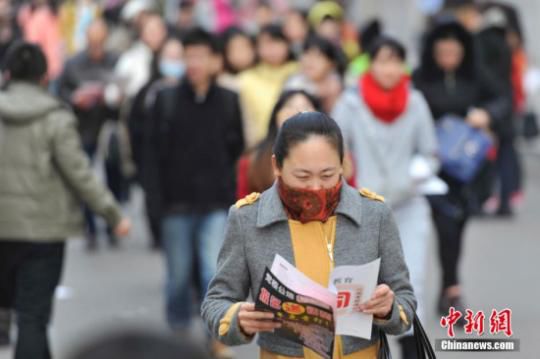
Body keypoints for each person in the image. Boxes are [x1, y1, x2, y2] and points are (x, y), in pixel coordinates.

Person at [202, 112, 416, 358]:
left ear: (343, 164)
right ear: (277, 166)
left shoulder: (374, 214)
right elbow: (216, 302)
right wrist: (238, 318)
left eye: (327, 175)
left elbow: (405, 302)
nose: (316, 187)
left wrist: (387, 308)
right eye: (302, 176)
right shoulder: (247, 219)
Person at [0, 42, 130, 359]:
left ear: (7, 74)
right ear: (46, 77)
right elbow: (79, 174)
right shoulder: (56, 118)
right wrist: (113, 215)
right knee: (33, 317)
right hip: (44, 232)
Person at [332, 37, 438, 359]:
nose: (389, 69)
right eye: (382, 60)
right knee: (360, 286)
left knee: (411, 280)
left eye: (396, 61)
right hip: (362, 209)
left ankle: (409, 347)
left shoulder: (416, 102)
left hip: (408, 205)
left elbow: (431, 153)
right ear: (371, 64)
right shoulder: (350, 103)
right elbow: (334, 149)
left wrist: (416, 174)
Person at [150, 27, 244, 357]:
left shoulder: (229, 101)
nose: (194, 62)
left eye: (201, 55)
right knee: (177, 277)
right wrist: (155, 204)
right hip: (176, 202)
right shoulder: (166, 100)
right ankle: (176, 333)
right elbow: (153, 155)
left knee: (211, 271)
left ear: (215, 60)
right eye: (188, 55)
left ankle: (215, 336)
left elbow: (236, 149)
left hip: (215, 202)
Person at [412, 20, 511, 323]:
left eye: (453, 52)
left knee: (454, 228)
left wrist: (487, 116)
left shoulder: (477, 75)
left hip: (465, 169)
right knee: (419, 230)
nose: (448, 58)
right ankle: (410, 294)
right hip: (427, 166)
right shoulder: (420, 79)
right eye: (442, 52)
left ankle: (450, 288)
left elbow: (503, 100)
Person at [58, 19, 119, 250]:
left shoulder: (116, 61)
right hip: (82, 128)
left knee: (113, 178)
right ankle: (91, 227)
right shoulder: (73, 63)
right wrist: (75, 99)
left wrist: (111, 97)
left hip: (108, 128)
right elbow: (62, 92)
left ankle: (112, 223)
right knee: (85, 179)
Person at [128, 35, 184, 249]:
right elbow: (136, 129)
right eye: (170, 57)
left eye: (178, 57)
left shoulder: (194, 92)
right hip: (155, 163)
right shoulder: (149, 92)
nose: (174, 62)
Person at [236, 89, 321, 199]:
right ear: (276, 115)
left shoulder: (337, 155)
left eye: (305, 107)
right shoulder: (252, 159)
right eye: (290, 106)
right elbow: (243, 209)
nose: (297, 112)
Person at [238, 24, 298, 149]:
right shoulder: (246, 79)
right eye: (265, 44)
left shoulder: (300, 74)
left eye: (276, 42)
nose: (271, 49)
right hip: (261, 148)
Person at [285, 35, 346, 113]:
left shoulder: (340, 88)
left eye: (318, 56)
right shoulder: (293, 86)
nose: (310, 61)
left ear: (331, 63)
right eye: (307, 54)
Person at [217, 26, 256, 92]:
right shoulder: (223, 82)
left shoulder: (263, 73)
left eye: (245, 47)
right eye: (235, 49)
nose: (241, 54)